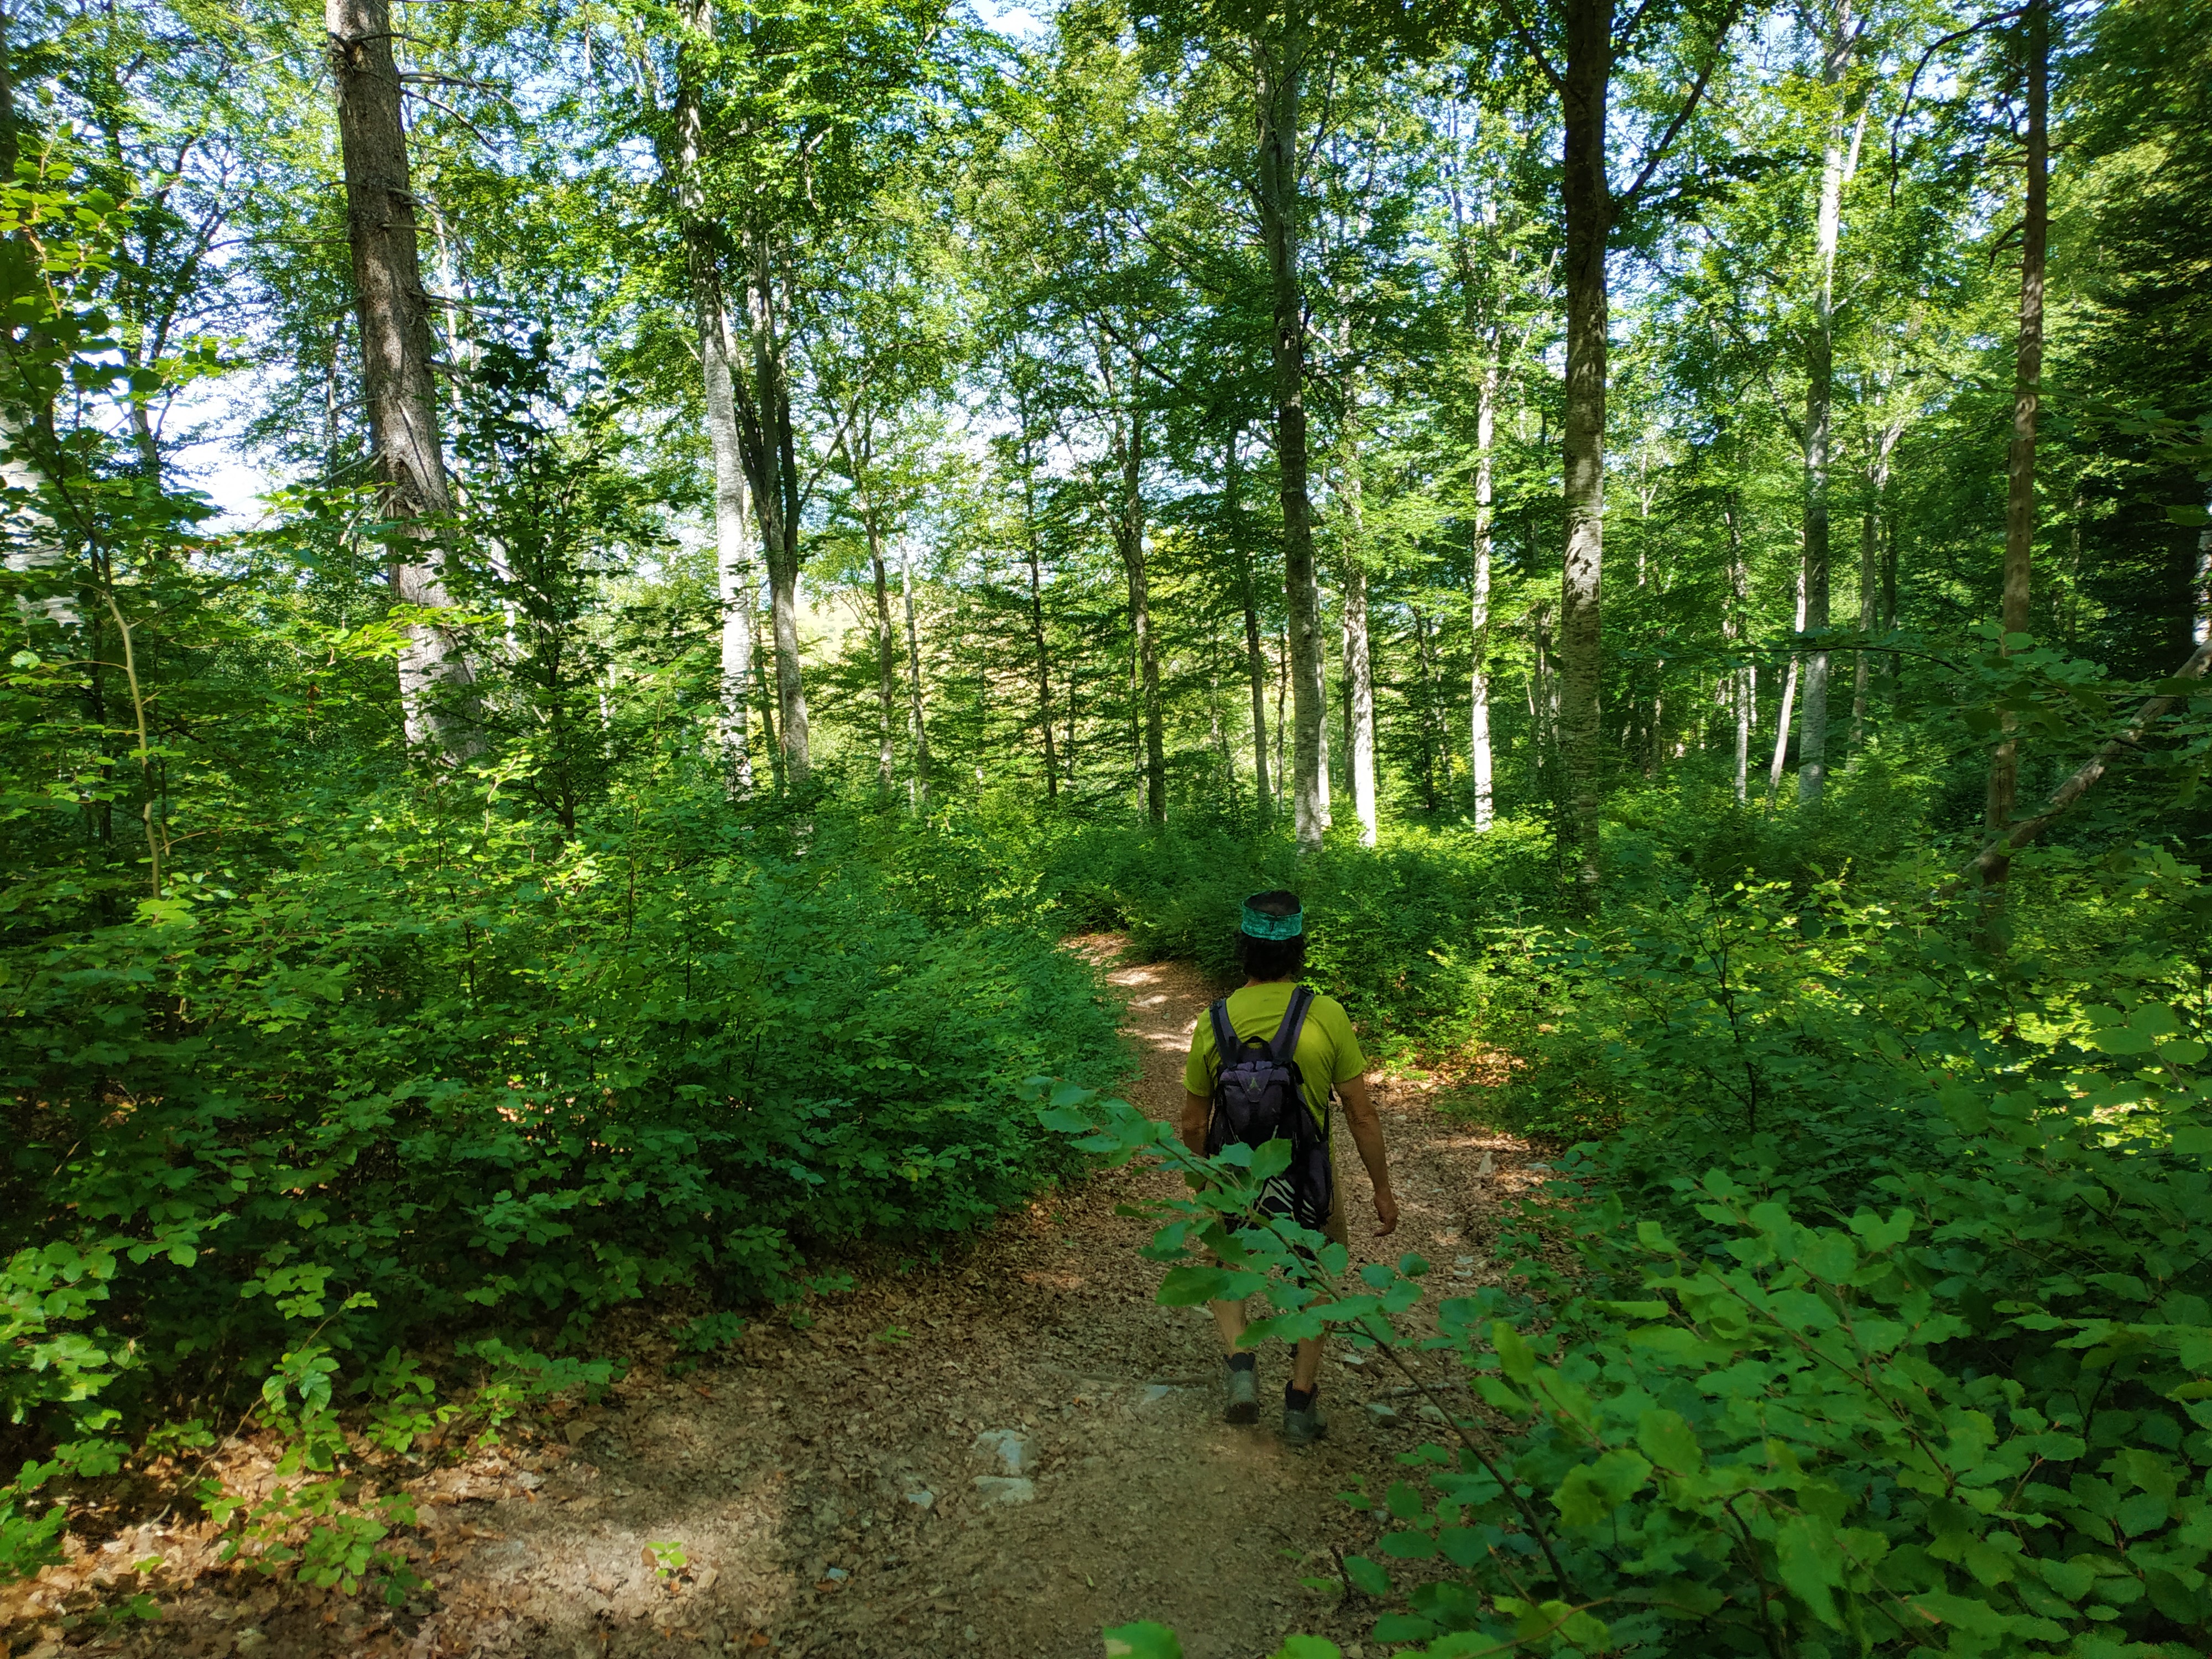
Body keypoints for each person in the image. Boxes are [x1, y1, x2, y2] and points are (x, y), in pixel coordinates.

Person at [1180, 890, 1398, 1444]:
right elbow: (1361, 1113)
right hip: (1308, 1177)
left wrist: (1202, 1181)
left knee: (1223, 1263)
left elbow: (1190, 1123)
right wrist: (1381, 1189)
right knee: (1315, 1273)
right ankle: (1299, 1402)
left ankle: (1242, 1368)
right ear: (1299, 950)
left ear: (1243, 951)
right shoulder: (1325, 1014)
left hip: (1234, 1174)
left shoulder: (1213, 1021)